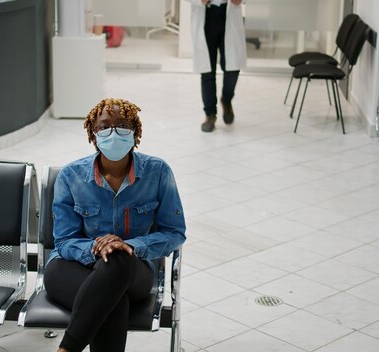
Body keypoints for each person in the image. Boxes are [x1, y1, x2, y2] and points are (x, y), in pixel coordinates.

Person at [44, 98, 186, 352]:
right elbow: (64, 241)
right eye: (105, 126)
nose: (114, 132)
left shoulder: (158, 172)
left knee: (118, 259)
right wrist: (96, 248)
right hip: (70, 267)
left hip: (133, 270)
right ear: (93, 132)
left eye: (123, 125)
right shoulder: (70, 176)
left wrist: (129, 245)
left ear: (135, 131)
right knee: (112, 299)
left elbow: (175, 232)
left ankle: (65, 349)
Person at [190, 0, 247, 132]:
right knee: (207, 71)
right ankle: (210, 114)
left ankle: (226, 99)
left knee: (232, 70)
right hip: (206, 14)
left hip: (229, 12)